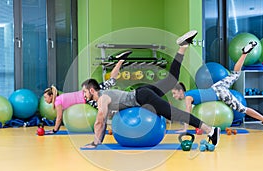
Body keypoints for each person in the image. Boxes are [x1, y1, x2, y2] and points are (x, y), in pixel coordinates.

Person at [81, 30, 221, 148]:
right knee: (172, 79)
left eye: (85, 91)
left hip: (142, 97)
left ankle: (211, 130)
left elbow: (100, 121)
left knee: (174, 114)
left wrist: (95, 143)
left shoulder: (102, 99)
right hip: (142, 92)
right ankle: (182, 47)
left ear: (92, 90)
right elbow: (103, 121)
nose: (83, 94)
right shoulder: (105, 93)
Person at [171, 41, 263, 132]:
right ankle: (244, 53)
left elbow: (187, 113)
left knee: (242, 109)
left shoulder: (188, 97)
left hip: (220, 93)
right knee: (235, 74)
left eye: (174, 93)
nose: (174, 96)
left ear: (181, 91)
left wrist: (185, 128)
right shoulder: (190, 93)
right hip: (216, 87)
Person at [43, 51, 132, 134]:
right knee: (111, 82)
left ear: (51, 96)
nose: (45, 99)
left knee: (106, 110)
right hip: (89, 93)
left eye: (46, 97)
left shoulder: (57, 101)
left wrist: (54, 130)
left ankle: (111, 128)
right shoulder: (60, 98)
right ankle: (121, 60)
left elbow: (59, 117)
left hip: (88, 96)